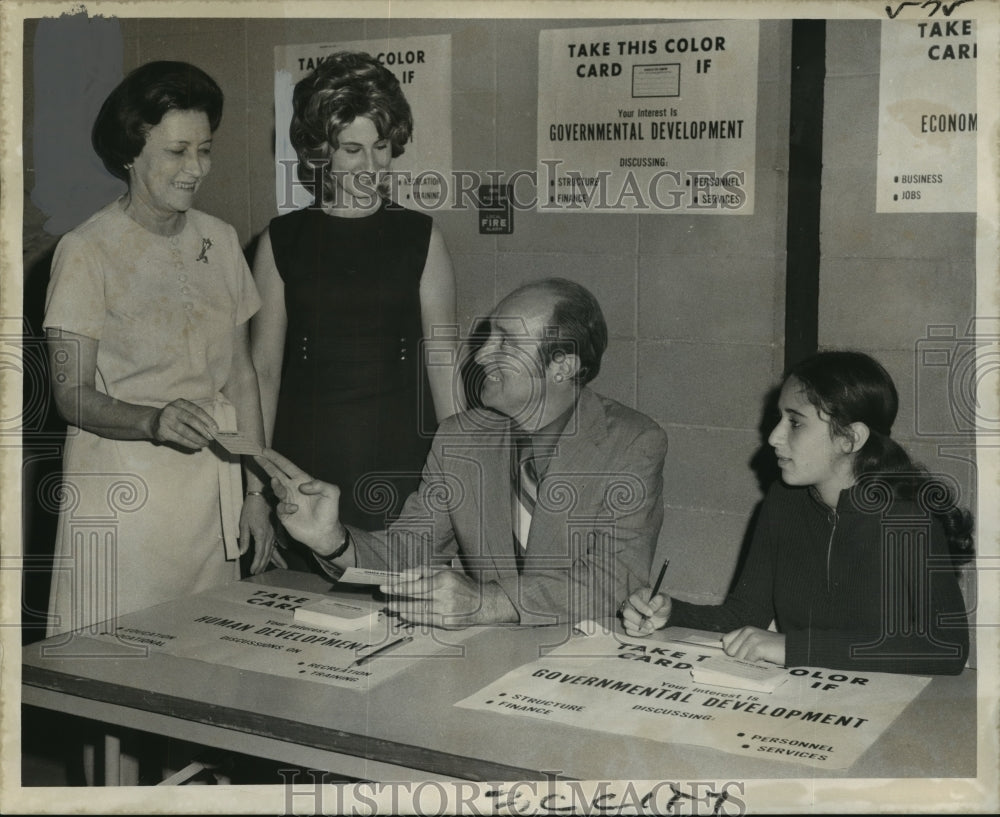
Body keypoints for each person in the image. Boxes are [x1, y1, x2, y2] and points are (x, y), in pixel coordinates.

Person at [256, 279, 668, 627]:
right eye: (489, 336)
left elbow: (614, 579)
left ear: (562, 366)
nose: (482, 354)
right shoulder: (459, 438)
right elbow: (411, 550)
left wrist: (486, 602)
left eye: (505, 342)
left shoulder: (632, 442)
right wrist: (333, 540)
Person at [44, 60, 276, 639]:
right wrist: (153, 420)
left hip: (210, 494)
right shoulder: (86, 251)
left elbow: (242, 378)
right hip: (126, 498)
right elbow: (70, 395)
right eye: (177, 152)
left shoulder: (219, 241)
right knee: (122, 660)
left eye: (205, 149)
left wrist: (256, 491)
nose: (195, 169)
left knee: (208, 656)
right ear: (131, 152)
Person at [622, 351, 972, 675]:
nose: (774, 437)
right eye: (780, 419)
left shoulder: (908, 521)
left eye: (796, 422)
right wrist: (671, 612)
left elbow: (947, 648)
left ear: (850, 438)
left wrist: (795, 648)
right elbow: (744, 614)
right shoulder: (782, 503)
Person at [251, 51, 459, 548]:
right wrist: (255, 489)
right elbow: (263, 372)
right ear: (320, 152)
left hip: (402, 453)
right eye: (352, 150)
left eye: (382, 147)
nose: (371, 167)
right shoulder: (280, 240)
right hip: (306, 457)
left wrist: (464, 475)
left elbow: (444, 361)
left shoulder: (421, 237)